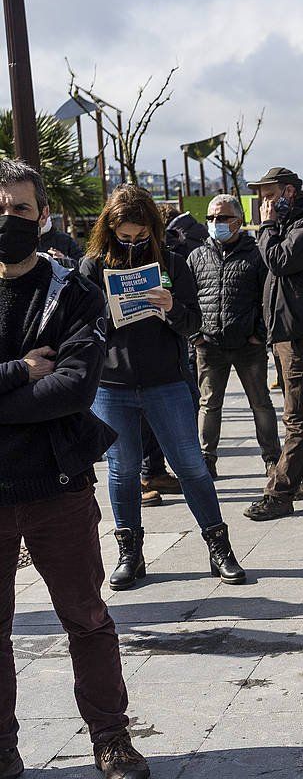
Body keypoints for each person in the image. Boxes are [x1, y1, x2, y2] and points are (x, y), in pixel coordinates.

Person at [0, 159, 151, 779]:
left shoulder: (73, 292)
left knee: (88, 619)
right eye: (1, 207)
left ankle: (111, 739)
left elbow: (72, 388)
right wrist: (16, 373)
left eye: (20, 211)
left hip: (57, 485)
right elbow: (42, 382)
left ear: (42, 218)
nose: (8, 219)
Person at [80, 185, 245, 589]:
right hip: (112, 383)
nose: (133, 243)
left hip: (166, 381)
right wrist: (106, 313)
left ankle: (219, 547)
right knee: (121, 471)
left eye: (140, 236)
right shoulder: (92, 266)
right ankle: (130, 555)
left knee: (190, 465)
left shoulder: (172, 261)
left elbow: (194, 323)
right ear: (109, 229)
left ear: (153, 230)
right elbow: (80, 329)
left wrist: (171, 309)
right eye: (125, 236)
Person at [243, 167, 303, 522]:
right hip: (287, 331)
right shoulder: (291, 225)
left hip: (302, 332)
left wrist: (267, 228)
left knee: (296, 417)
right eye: (261, 197)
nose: (263, 204)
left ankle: (280, 493)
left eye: (269, 195)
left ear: (289, 193)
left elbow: (279, 261)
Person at [187, 194, 281, 478]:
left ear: (238, 221)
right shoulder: (197, 256)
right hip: (209, 345)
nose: (216, 223)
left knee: (260, 403)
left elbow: (268, 298)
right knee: (209, 404)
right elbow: (187, 298)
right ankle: (206, 460)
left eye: (223, 218)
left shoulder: (256, 253)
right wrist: (196, 335)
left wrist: (259, 334)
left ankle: (272, 458)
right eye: (212, 218)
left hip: (247, 345)